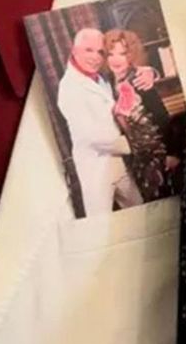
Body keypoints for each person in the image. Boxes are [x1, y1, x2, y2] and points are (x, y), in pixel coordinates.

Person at [57, 27, 137, 216]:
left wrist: (151, 72)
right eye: (88, 50)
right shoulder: (69, 88)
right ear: (74, 51)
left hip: (118, 165)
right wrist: (135, 144)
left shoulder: (101, 78)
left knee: (141, 211)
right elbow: (91, 137)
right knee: (101, 222)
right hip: (95, 170)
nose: (95, 57)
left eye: (101, 52)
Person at [103, 28, 183, 203]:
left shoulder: (139, 80)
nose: (116, 59)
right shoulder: (108, 83)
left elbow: (162, 117)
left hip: (157, 152)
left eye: (123, 54)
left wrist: (171, 153)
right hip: (137, 157)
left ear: (131, 55)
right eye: (111, 54)